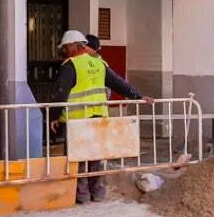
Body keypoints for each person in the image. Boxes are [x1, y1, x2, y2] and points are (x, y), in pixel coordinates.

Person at [48, 30, 151, 204]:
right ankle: (97, 193)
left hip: (78, 119)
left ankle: (82, 196)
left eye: (65, 47)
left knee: (78, 157)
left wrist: (54, 116)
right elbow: (118, 83)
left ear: (75, 46)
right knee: (95, 156)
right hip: (99, 117)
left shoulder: (70, 65)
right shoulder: (99, 64)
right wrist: (138, 96)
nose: (64, 51)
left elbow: (61, 94)